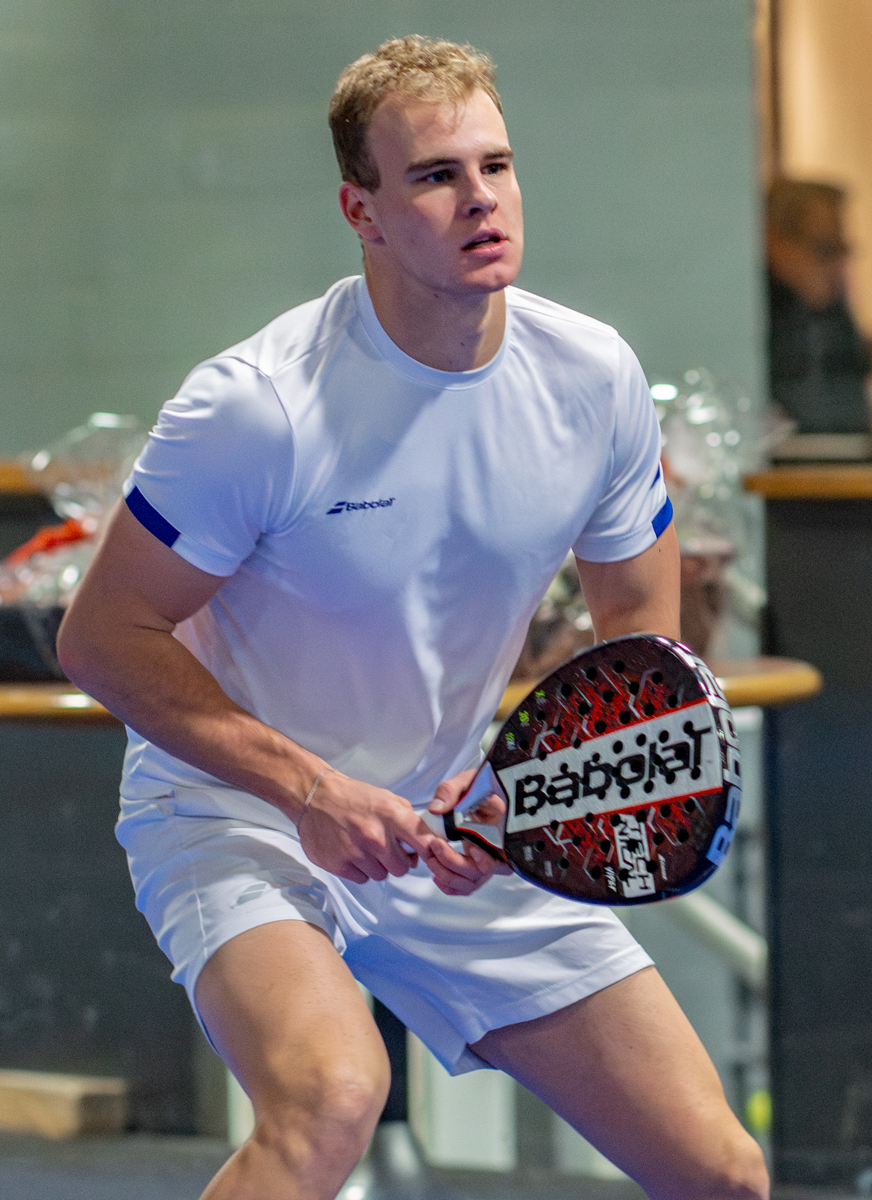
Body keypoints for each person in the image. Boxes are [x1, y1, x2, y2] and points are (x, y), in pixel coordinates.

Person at [58, 36, 768, 1200]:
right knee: (333, 1098)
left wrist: (511, 795)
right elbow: (101, 639)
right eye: (436, 175)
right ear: (363, 210)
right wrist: (312, 792)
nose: (479, 197)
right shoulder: (258, 408)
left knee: (721, 1172)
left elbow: (636, 650)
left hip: (449, 829)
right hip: (240, 817)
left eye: (495, 164)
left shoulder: (590, 379)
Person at [767, 177, 871, 434]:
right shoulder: (757, 314)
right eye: (825, 250)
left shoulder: (830, 311)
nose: (838, 265)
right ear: (775, 239)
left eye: (843, 250)